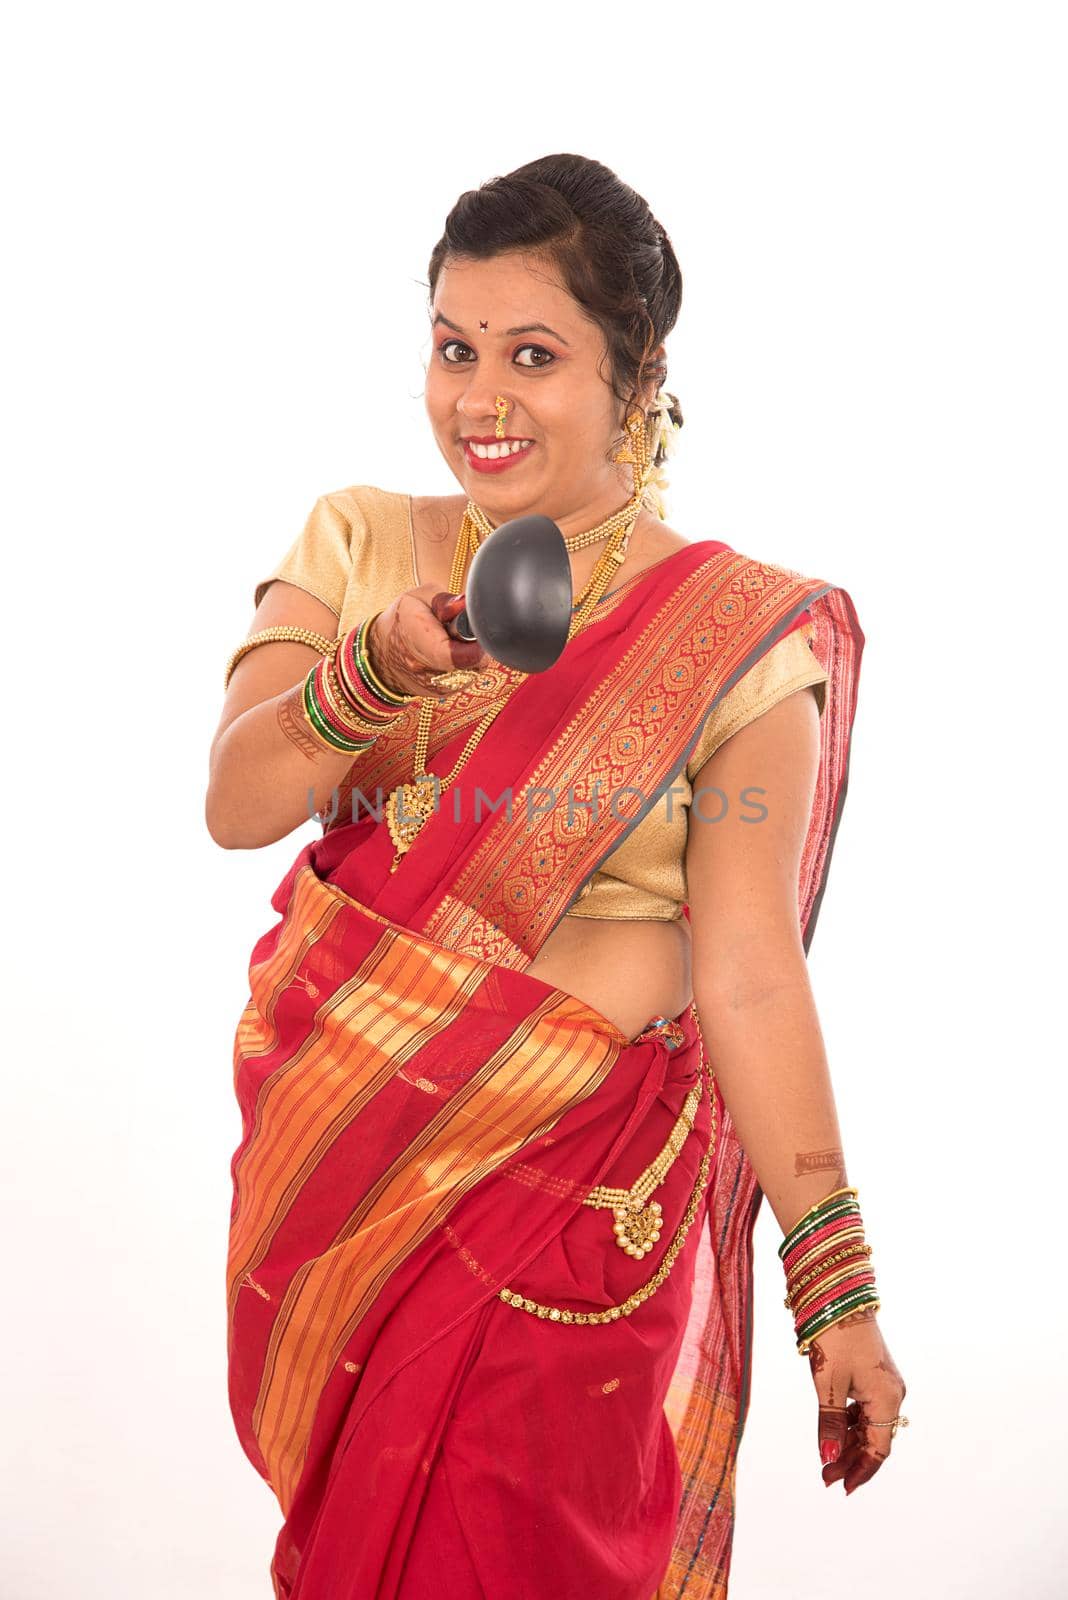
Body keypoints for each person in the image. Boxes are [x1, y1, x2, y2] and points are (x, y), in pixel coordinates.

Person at [208, 153, 907, 1600]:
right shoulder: (361, 542)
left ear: (638, 382)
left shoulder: (736, 636)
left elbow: (751, 971)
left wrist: (831, 1280)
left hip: (577, 1222)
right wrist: (374, 669)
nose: (482, 397)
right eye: (455, 347)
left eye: (536, 355)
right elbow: (237, 800)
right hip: (356, 1194)